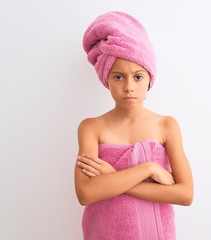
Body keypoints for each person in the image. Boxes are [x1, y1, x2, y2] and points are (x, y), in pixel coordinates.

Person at [74, 11, 194, 240]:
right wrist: (148, 169)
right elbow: (86, 193)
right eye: (118, 77)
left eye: (138, 77)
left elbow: (185, 194)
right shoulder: (91, 128)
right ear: (106, 79)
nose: (129, 87)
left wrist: (113, 177)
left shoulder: (166, 126)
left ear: (149, 77)